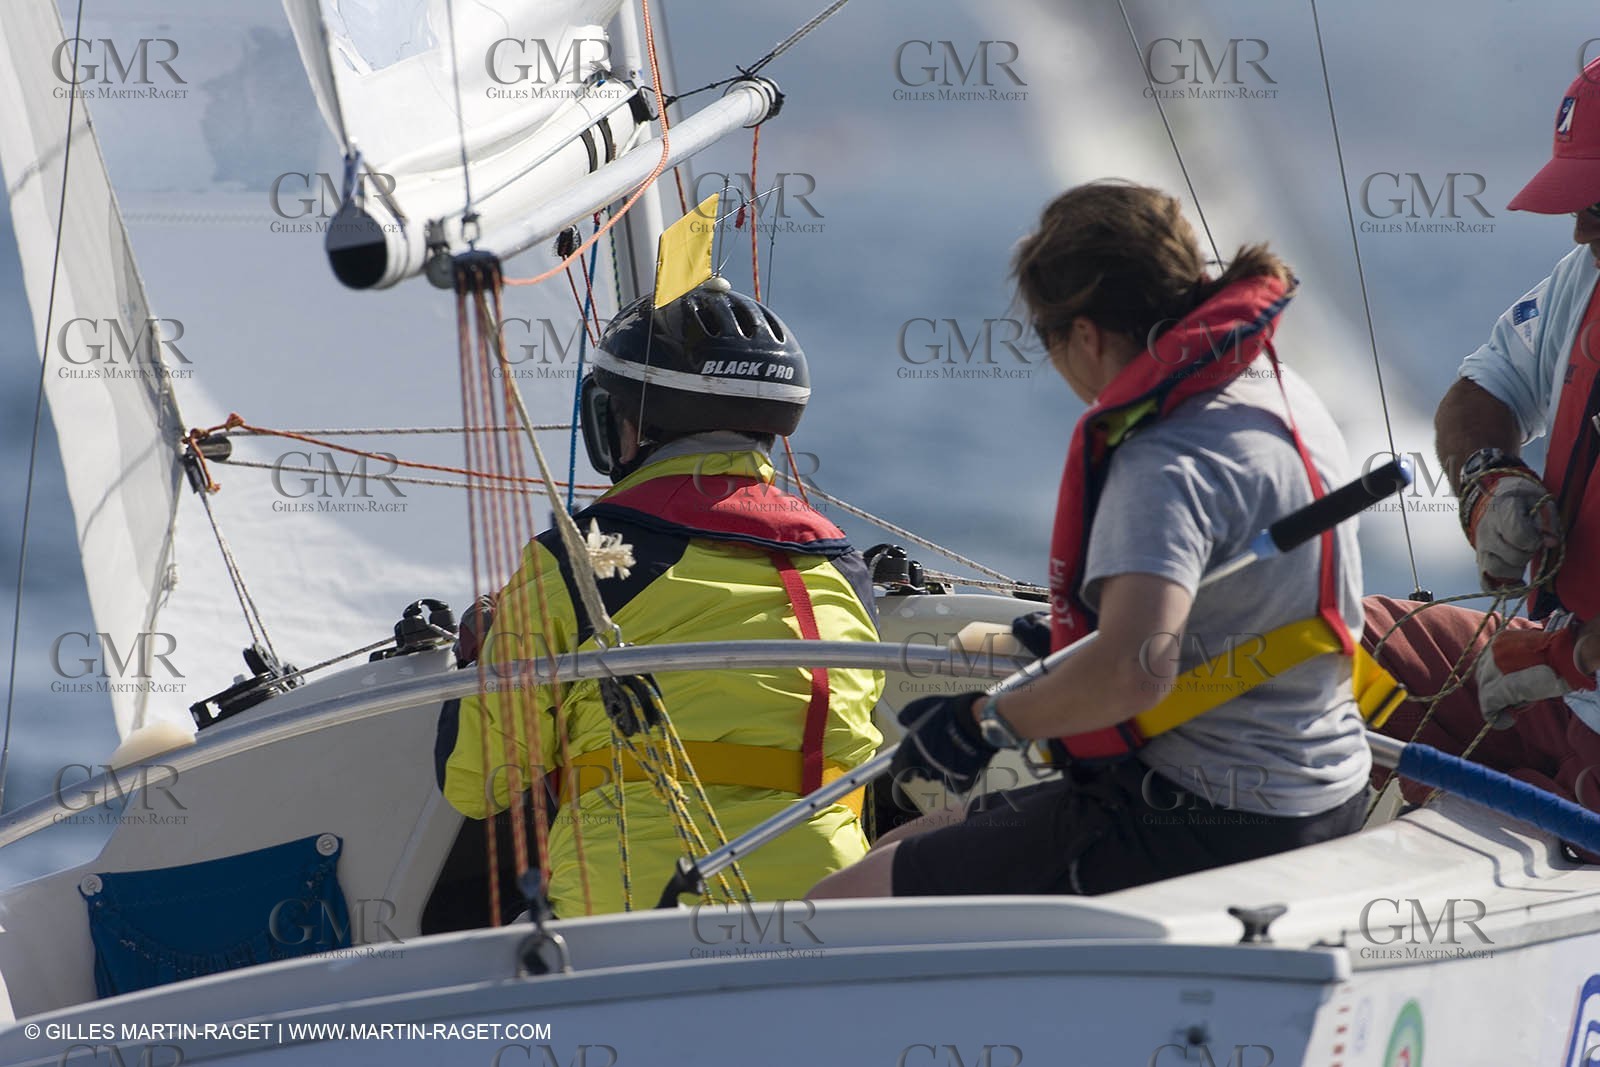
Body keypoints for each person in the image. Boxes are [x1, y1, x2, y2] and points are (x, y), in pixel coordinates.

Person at [810, 180, 1370, 900]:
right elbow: (1226, 606)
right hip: (1327, 789)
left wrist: (980, 724)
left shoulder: (1164, 461)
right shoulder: (1278, 392)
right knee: (907, 839)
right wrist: (1065, 636)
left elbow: (1134, 673)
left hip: (1198, 818)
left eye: (1046, 340)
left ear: (1084, 333)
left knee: (837, 906)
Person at [434, 278, 884, 917]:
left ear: (622, 421)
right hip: (826, 901)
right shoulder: (842, 567)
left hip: (631, 900)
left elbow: (480, 781)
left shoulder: (580, 556)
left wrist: (477, 658)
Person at [1364, 57, 1600, 831]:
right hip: (1546, 674)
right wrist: (1486, 480)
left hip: (1568, 689)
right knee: (1325, 640)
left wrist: (1565, 662)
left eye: (1597, 205)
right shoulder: (1585, 277)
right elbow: (1480, 395)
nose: (1577, 230)